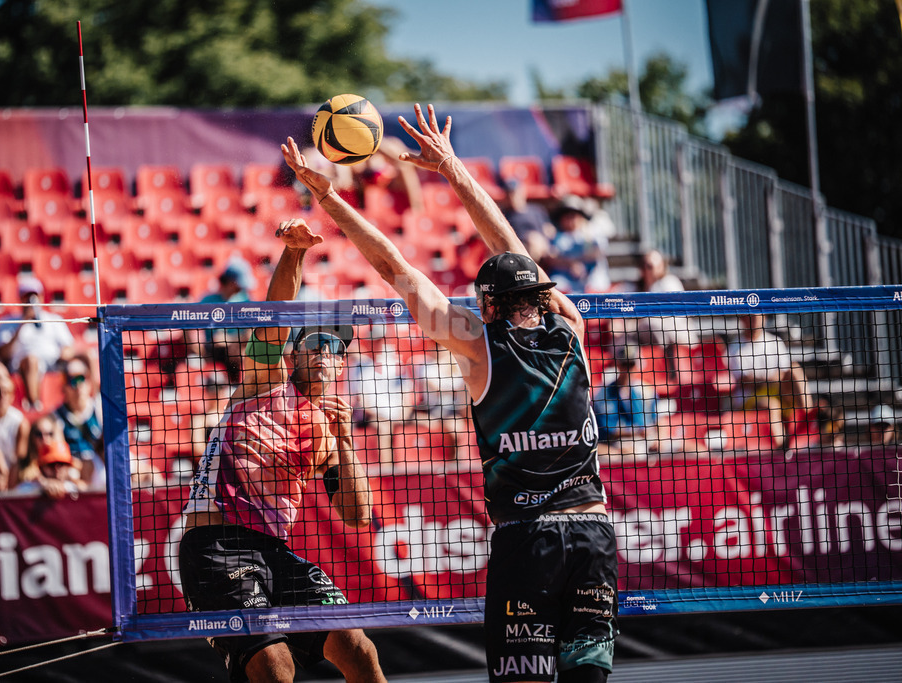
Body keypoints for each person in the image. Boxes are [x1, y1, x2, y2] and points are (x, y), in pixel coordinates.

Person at [283, 102, 617, 682]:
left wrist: (329, 197)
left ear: (485, 304)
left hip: (527, 538)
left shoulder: (479, 345)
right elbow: (514, 249)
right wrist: (454, 169)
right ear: (537, 292)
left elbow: (396, 269)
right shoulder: (572, 327)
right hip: (594, 533)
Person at [178, 219, 385, 683]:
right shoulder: (263, 382)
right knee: (274, 666)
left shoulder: (327, 430)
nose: (327, 354)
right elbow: (272, 318)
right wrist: (294, 252)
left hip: (271, 548)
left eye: (336, 348)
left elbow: (356, 515)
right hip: (215, 547)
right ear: (293, 354)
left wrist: (346, 443)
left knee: (358, 648)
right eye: (316, 343)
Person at [0, 275, 75, 411]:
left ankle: (94, 403)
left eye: (34, 296)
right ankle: (34, 406)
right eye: (27, 297)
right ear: (20, 299)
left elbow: (68, 348)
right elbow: (4, 353)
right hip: (23, 366)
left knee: (85, 359)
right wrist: (23, 322)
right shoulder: (8, 322)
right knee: (32, 361)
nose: (31, 301)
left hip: (53, 364)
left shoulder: (54, 319)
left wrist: (62, 357)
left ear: (42, 297)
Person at [346, 323, 412, 472]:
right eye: (373, 340)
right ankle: (388, 473)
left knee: (436, 424)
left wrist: (403, 413)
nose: (376, 343)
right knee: (384, 426)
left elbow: (406, 395)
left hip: (397, 414)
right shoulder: (359, 365)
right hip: (370, 415)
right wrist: (384, 416)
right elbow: (363, 402)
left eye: (379, 339)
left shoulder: (395, 363)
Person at [594, 345, 660, 460]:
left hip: (646, 442)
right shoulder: (603, 394)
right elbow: (609, 431)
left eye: (631, 364)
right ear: (618, 365)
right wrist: (637, 432)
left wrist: (660, 438)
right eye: (625, 364)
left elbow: (660, 420)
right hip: (617, 444)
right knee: (629, 455)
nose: (628, 369)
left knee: (688, 449)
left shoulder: (646, 390)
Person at [52, 357, 105, 489]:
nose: (78, 384)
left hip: (101, 466)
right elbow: (60, 457)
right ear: (64, 386)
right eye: (72, 380)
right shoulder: (56, 417)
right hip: (74, 471)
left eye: (82, 378)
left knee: (150, 475)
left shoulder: (99, 408)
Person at [540, 195, 611, 294]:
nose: (571, 219)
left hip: (590, 278)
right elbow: (550, 257)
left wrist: (579, 263)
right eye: (566, 215)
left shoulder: (592, 232)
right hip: (563, 280)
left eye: (574, 215)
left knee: (597, 282)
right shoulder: (556, 236)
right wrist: (571, 264)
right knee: (556, 286)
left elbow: (599, 251)